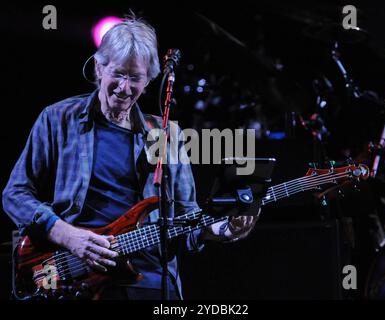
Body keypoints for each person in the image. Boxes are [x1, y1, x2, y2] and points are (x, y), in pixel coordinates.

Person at [2, 13, 259, 300]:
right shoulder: (58, 119)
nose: (125, 88)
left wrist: (221, 229)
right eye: (118, 74)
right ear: (99, 68)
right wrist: (67, 235)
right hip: (77, 276)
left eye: (135, 78)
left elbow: (188, 224)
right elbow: (15, 194)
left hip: (151, 280)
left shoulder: (166, 134)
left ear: (148, 81)